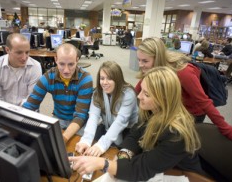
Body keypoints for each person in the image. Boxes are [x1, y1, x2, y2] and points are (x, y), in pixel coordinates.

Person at [70, 67, 204, 181]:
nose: (139, 97)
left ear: (163, 98)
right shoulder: (152, 111)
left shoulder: (176, 134)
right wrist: (123, 156)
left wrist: (103, 164)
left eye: (146, 94)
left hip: (180, 175)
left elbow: (142, 168)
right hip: (157, 167)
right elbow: (134, 135)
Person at [134, 37, 232, 143]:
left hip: (191, 113)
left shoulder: (183, 72)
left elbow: (204, 102)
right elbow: (139, 89)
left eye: (145, 61)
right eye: (139, 60)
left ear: (158, 57)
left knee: (179, 143)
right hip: (173, 107)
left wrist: (228, 130)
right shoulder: (154, 68)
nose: (140, 65)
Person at [23, 43, 93, 143]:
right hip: (58, 119)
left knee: (78, 148)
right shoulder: (48, 77)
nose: (66, 70)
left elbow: (80, 116)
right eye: (62, 64)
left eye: (71, 64)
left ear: (77, 60)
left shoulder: (85, 78)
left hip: (79, 123)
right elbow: (30, 105)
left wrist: (63, 139)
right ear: (56, 59)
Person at [75, 61, 138, 157]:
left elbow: (120, 122)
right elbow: (93, 117)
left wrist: (101, 145)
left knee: (121, 156)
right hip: (108, 125)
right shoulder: (97, 93)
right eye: (102, 78)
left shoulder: (128, 94)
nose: (104, 82)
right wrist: (86, 140)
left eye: (109, 78)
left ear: (117, 79)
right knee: (88, 145)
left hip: (128, 129)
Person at [0, 33, 42, 123]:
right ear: (7, 50)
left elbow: (31, 100)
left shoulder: (35, 66)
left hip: (27, 113)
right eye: (19, 52)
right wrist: (2, 117)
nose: (24, 57)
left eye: (27, 52)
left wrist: (13, 118)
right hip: (2, 113)